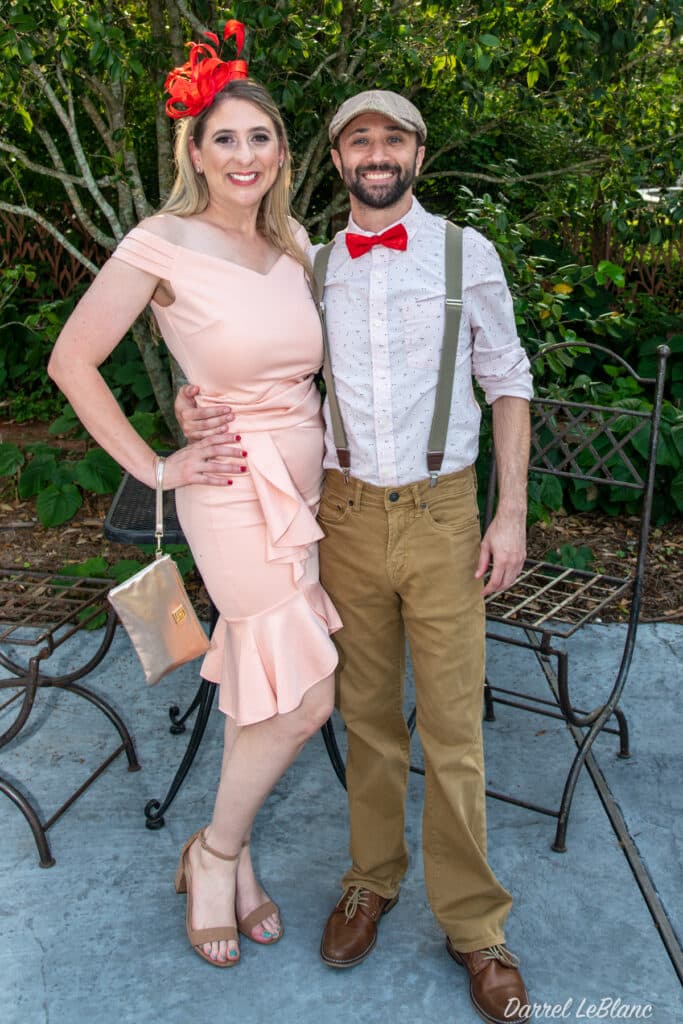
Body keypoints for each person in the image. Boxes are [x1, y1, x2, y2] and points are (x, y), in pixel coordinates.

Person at [176, 88, 533, 1023]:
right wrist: (191, 402)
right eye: (358, 140)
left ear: (418, 153)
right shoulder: (310, 262)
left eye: (394, 138)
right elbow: (257, 361)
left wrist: (510, 514)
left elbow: (507, 381)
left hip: (445, 513)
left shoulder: (467, 253)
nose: (377, 153)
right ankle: (369, 881)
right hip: (341, 515)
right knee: (366, 720)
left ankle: (474, 928)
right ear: (335, 160)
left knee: (451, 731)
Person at [47, 24, 341, 969]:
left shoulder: (295, 242)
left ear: (281, 151)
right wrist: (156, 464)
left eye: (260, 137)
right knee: (307, 696)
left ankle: (232, 853)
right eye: (224, 139)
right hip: (230, 485)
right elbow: (71, 361)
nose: (243, 155)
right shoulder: (161, 241)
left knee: (270, 683)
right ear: (196, 153)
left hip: (306, 486)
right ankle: (212, 855)